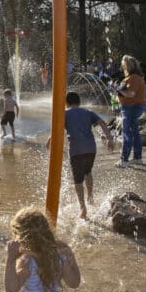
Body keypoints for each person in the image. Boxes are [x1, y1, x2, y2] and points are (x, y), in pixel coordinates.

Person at [49, 91, 115, 219]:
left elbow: (57, 130)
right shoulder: (88, 112)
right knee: (88, 172)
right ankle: (90, 196)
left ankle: (82, 207)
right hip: (91, 148)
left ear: (66, 103)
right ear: (79, 102)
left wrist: (49, 142)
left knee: (77, 179)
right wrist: (109, 139)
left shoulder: (65, 114)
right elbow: (102, 122)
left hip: (76, 150)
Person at [116, 55, 146, 167]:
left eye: (123, 64)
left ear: (127, 66)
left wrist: (118, 89)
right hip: (134, 106)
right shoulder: (136, 77)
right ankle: (138, 158)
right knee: (134, 133)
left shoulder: (133, 77)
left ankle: (124, 160)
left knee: (127, 133)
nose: (122, 66)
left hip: (131, 107)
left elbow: (131, 94)